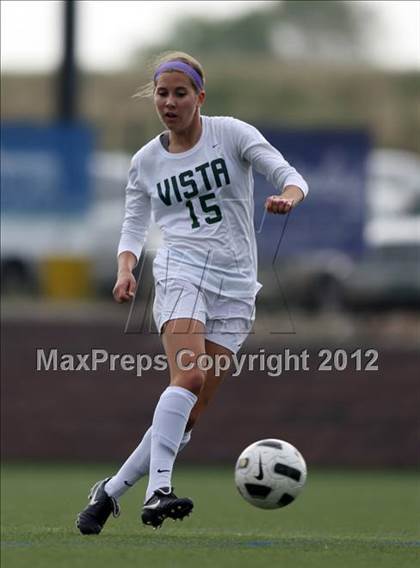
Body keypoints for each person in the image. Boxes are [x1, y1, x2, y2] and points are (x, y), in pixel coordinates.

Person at [76, 51, 308, 535]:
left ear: (200, 97)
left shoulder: (232, 134)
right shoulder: (146, 161)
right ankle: (158, 489)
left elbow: (289, 175)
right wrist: (126, 268)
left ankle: (110, 491)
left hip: (238, 288)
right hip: (182, 273)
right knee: (190, 377)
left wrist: (289, 197)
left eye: (181, 93)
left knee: (190, 414)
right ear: (155, 98)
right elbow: (133, 226)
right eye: (163, 93)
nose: (170, 101)